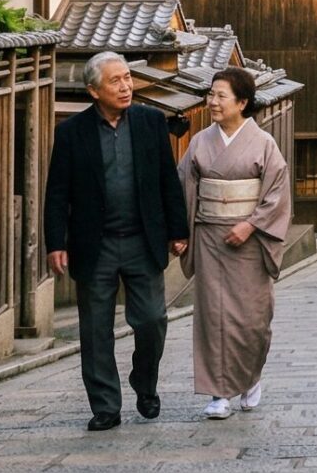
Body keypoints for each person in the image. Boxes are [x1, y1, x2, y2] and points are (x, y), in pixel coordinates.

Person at [43, 51, 190, 431]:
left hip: (143, 239)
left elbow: (166, 180)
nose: (125, 87)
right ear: (94, 90)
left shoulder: (149, 122)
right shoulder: (71, 133)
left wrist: (178, 230)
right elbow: (58, 192)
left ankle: (144, 381)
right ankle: (105, 406)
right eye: (115, 81)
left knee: (153, 319)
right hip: (96, 243)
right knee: (95, 330)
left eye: (127, 78)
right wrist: (55, 243)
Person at [176, 66, 292, 419]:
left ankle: (251, 376)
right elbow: (185, 187)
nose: (212, 101)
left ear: (242, 102)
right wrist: (182, 232)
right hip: (210, 235)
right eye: (211, 94)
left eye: (220, 95)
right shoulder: (199, 141)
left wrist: (251, 225)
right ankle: (219, 392)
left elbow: (276, 194)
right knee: (212, 316)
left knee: (253, 318)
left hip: (250, 242)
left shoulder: (263, 143)